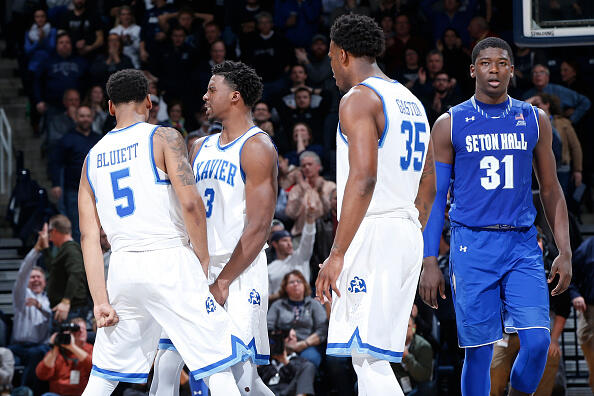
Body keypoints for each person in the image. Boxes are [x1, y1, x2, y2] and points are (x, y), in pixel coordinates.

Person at [420, 37, 572, 396]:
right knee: (479, 352)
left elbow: (550, 189)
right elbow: (435, 196)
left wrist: (564, 250)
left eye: (502, 63)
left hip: (521, 243)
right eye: (486, 63)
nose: (494, 69)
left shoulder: (534, 119)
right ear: (473, 70)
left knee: (537, 343)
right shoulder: (449, 123)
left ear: (512, 70)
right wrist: (428, 259)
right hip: (471, 242)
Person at [78, 69, 246, 395]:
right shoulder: (164, 137)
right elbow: (192, 204)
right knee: (217, 364)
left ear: (110, 107)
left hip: (123, 267)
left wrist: (100, 300)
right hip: (168, 259)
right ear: (149, 102)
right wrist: (202, 259)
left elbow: (88, 237)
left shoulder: (91, 158)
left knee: (104, 376)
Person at [315, 14, 435, 395]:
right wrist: (412, 228)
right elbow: (430, 179)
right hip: (405, 230)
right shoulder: (411, 100)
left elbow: (363, 179)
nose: (330, 65)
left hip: (376, 231)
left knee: (366, 358)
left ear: (345, 54)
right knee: (370, 355)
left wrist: (337, 254)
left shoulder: (358, 99)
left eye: (332, 56)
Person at [151, 61, 278, 396]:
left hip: (239, 269)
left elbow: (260, 225)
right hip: (200, 266)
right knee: (166, 362)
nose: (204, 96)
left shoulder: (257, 146)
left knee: (239, 374)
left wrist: (223, 281)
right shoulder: (198, 146)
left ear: (235, 96)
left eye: (212, 89)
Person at [9, 225, 52, 391]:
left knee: (37, 354)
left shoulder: (48, 300)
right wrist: (36, 250)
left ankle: (23, 391)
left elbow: (50, 314)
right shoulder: (21, 296)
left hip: (39, 347)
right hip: (18, 347)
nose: (34, 280)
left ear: (45, 281)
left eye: (38, 277)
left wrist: (39, 306)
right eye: (32, 277)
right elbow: (22, 274)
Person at [49, 105, 102, 241]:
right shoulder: (67, 139)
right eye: (82, 116)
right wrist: (56, 184)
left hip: (98, 191)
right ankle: (81, 261)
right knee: (79, 229)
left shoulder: (99, 139)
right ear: (76, 118)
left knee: (99, 226)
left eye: (88, 116)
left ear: (92, 118)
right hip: (74, 191)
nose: (85, 119)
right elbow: (56, 162)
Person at [268, 270, 328, 368]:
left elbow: (322, 330)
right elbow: (268, 327)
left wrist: (304, 343)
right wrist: (282, 343)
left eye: (299, 281)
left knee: (310, 360)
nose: (296, 284)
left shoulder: (314, 304)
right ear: (285, 287)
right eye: (291, 282)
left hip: (308, 345)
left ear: (304, 285)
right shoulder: (277, 305)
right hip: (281, 345)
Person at [42, 215, 89, 327]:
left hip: (70, 310)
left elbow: (76, 273)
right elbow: (53, 269)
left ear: (53, 231)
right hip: (66, 309)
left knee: (67, 342)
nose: (49, 238)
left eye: (49, 233)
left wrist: (66, 301)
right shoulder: (65, 249)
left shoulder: (71, 249)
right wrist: (45, 248)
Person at [268, 202, 316, 301]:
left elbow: (308, 238)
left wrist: (310, 218)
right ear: (275, 244)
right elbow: (266, 296)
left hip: (305, 305)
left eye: (290, 240)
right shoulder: (269, 269)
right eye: (285, 241)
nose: (290, 244)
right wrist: (283, 294)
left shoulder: (300, 257)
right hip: (280, 308)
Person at [36, 317, 93, 396]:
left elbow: (93, 368)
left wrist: (72, 347)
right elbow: (41, 375)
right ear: (69, 332)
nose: (81, 331)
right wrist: (55, 347)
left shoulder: (91, 349)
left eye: (84, 328)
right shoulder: (58, 351)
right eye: (77, 329)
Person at [568, 236, 594, 390]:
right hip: (590, 309)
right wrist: (576, 295)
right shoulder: (587, 248)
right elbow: (571, 275)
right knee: (587, 341)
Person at [390, 316, 434, 394]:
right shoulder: (390, 346)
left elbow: (424, 376)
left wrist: (407, 357)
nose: (403, 329)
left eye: (407, 326)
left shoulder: (424, 346)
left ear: (414, 328)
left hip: (418, 386)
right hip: (397, 386)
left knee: (427, 387)